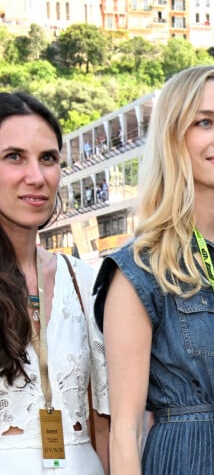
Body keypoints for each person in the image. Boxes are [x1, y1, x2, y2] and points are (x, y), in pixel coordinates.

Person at [93, 65, 214, 474]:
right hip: (185, 459)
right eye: (205, 122)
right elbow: (126, 430)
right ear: (173, 138)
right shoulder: (139, 269)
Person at [0, 92, 109, 474]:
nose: (37, 176)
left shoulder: (84, 281)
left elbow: (104, 418)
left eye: (48, 158)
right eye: (14, 157)